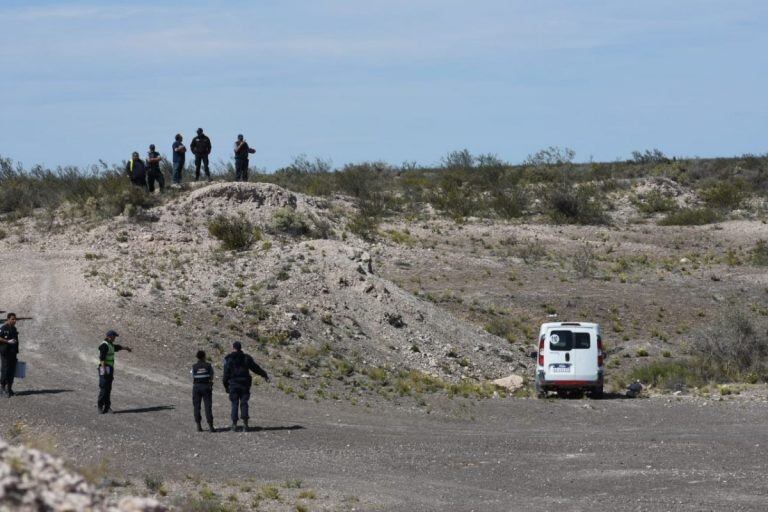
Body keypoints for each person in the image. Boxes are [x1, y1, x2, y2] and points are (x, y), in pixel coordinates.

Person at [223, 341, 269, 432]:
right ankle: (245, 424)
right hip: (245, 384)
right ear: (241, 348)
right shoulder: (246, 358)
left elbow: (226, 374)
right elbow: (255, 368)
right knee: (244, 403)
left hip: (233, 384)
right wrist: (264, 374)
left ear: (233, 348)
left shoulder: (228, 358)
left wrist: (226, 386)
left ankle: (234, 425)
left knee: (234, 404)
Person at [98, 330, 132, 414]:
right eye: (114, 337)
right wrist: (104, 370)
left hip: (110, 368)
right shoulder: (104, 345)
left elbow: (117, 347)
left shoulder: (111, 345)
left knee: (108, 388)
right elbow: (101, 358)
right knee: (103, 388)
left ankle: (107, 407)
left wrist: (126, 348)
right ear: (109, 336)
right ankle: (100, 407)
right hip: (103, 367)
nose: (115, 338)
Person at [191, 350, 215, 432]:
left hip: (196, 387)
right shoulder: (208, 366)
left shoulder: (194, 366)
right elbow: (211, 376)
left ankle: (198, 425)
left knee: (197, 406)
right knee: (208, 406)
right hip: (206, 387)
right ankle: (211, 426)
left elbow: (192, 376)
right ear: (204, 356)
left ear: (197, 357)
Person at [0, 313, 19, 397]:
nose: (14, 321)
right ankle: (2, 389)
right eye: (13, 319)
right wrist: (7, 341)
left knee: (12, 370)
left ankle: (9, 389)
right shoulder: (4, 328)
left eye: (15, 319)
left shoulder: (14, 329)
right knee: (5, 370)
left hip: (13, 352)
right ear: (8, 319)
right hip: (5, 352)